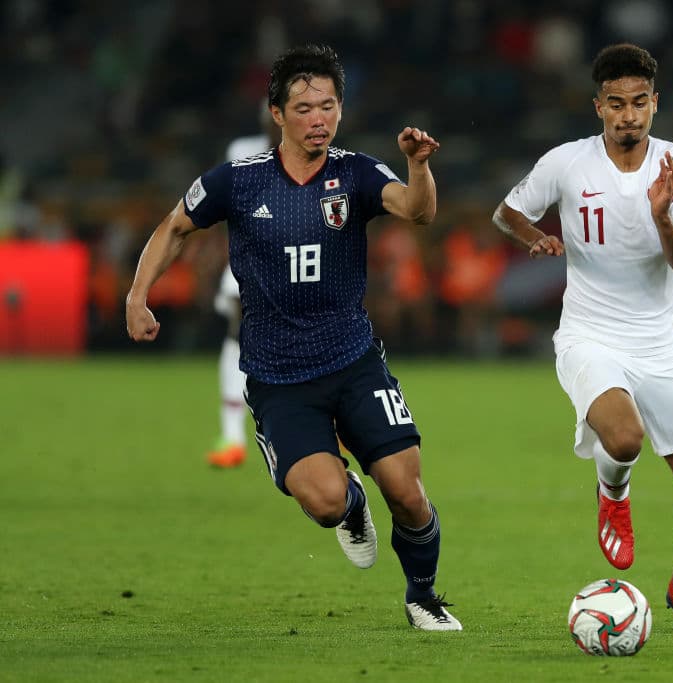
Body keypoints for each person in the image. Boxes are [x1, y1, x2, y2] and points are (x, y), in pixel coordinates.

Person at [126, 44, 461, 631]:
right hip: (279, 377)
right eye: (305, 108)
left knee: (408, 493)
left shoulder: (355, 171)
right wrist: (137, 294)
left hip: (355, 361)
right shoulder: (238, 180)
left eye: (329, 106)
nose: (319, 120)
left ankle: (423, 597)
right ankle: (351, 503)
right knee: (328, 502)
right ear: (277, 114)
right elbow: (176, 225)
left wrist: (419, 166)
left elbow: (417, 211)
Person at [493, 43, 673, 633]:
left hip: (659, 343)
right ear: (598, 107)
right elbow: (507, 212)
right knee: (623, 438)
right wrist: (533, 238)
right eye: (617, 104)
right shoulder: (568, 163)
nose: (629, 115)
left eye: (640, 103)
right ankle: (611, 493)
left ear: (655, 104)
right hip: (588, 334)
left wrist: (663, 216)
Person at [208, 102, 282, 469]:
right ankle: (233, 435)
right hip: (250, 258)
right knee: (238, 331)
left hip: (301, 262)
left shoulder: (319, 155)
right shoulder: (242, 151)